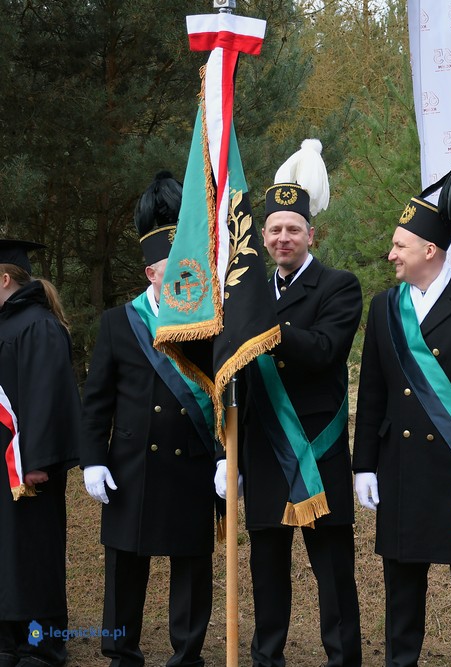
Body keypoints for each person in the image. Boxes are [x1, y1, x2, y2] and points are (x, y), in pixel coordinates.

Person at [353, 149, 451, 667]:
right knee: (401, 598)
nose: (391, 255)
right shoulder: (385, 307)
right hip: (401, 474)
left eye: (399, 246)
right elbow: (372, 393)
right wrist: (364, 465)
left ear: (429, 248)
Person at [217, 140, 363, 667]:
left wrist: (266, 327)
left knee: (333, 576)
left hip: (317, 453)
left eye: (293, 230)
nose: (283, 238)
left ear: (311, 235)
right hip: (263, 451)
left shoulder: (339, 286)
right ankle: (267, 658)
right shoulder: (247, 293)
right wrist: (226, 452)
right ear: (262, 238)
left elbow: (325, 350)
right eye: (275, 230)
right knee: (267, 574)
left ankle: (343, 660)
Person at [78, 172, 218, 667]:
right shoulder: (119, 322)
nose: (178, 275)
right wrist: (93, 460)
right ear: (149, 274)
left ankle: (187, 655)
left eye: (184, 266)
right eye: (167, 268)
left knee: (192, 567)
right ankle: (121, 652)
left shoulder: (207, 319)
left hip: (192, 461)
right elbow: (97, 400)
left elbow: (225, 392)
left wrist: (228, 456)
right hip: (132, 462)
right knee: (124, 566)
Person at [0, 239, 80, 667]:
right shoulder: (6, 325)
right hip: (4, 466)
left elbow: (48, 397)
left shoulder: (39, 326)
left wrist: (38, 460)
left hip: (29, 469)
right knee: (7, 553)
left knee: (34, 553)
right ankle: (8, 639)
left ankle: (41, 644)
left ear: (5, 279)